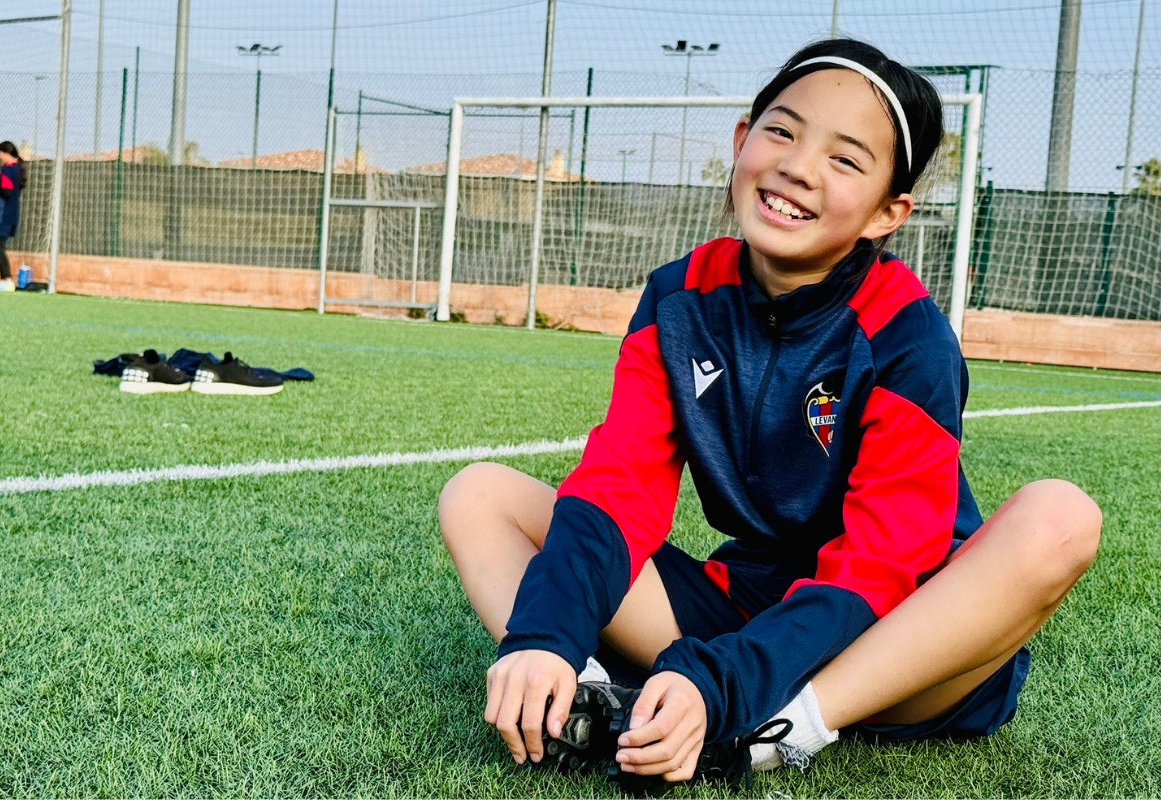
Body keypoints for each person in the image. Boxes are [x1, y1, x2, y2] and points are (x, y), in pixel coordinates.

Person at [438, 37, 1102, 795]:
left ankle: (777, 733)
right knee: (479, 494)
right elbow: (621, 485)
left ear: (888, 213)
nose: (799, 166)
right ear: (741, 141)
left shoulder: (908, 335)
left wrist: (721, 682)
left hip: (896, 641)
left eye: (845, 159)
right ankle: (585, 706)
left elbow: (882, 563)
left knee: (1061, 518)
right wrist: (545, 635)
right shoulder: (679, 298)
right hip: (751, 606)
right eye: (782, 131)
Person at [0, 141, 26, 292]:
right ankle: (6, 279)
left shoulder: (8, 170)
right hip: (8, 214)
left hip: (1, 215)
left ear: (6, 153)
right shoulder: (17, 169)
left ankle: (6, 279)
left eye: (0, 153)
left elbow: (6, 191)